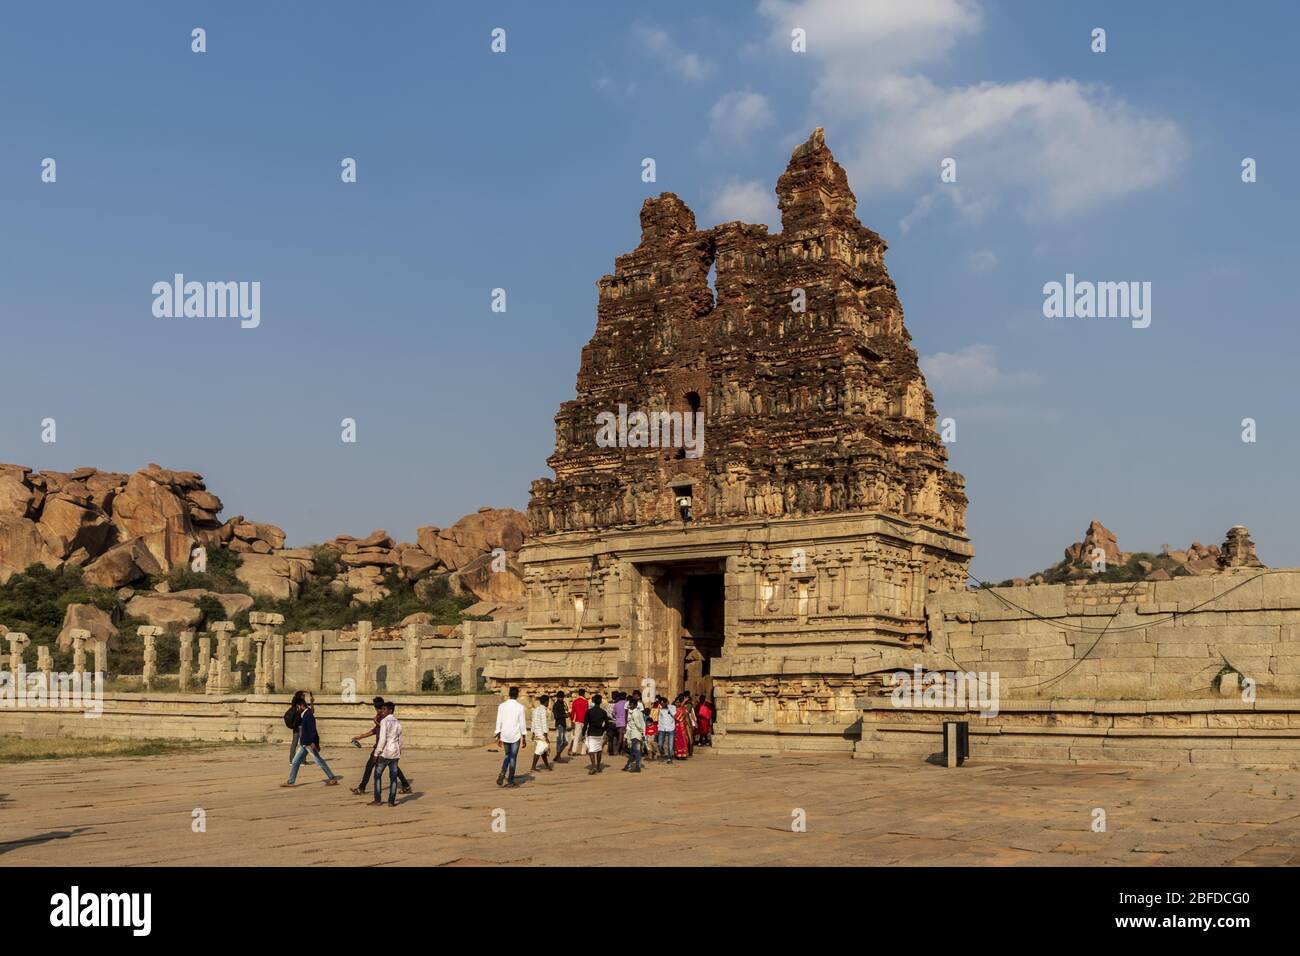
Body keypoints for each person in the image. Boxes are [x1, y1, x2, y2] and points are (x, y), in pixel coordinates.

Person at [351, 697, 412, 795]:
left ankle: (363, 789)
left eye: (382, 709)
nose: (381, 711)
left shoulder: (383, 717)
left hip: (382, 746)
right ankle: (406, 786)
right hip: (387, 747)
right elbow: (376, 730)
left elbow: (385, 730)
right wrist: (361, 736)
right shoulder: (382, 715)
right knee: (393, 767)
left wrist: (377, 724)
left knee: (372, 767)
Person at [283, 697, 340, 787]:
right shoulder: (305, 715)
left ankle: (332, 778)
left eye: (298, 707)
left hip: (309, 744)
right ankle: (291, 782)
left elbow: (312, 730)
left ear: (301, 706)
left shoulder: (308, 715)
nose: (297, 710)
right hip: (304, 744)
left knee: (319, 762)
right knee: (295, 762)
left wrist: (313, 742)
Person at [371, 701, 404, 807]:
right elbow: (400, 739)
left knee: (377, 775)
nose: (382, 711)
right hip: (395, 753)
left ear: (390, 710)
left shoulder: (385, 721)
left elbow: (383, 739)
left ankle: (377, 799)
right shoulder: (398, 722)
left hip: (385, 753)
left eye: (384, 709)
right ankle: (391, 801)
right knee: (393, 777)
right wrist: (399, 750)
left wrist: (376, 753)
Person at [495, 686, 528, 787]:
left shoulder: (502, 706)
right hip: (515, 735)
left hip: (505, 734)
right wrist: (524, 737)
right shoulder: (520, 707)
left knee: (507, 755)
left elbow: (499, 720)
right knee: (513, 757)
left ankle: (502, 773)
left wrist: (498, 734)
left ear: (509, 694)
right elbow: (522, 723)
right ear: (517, 695)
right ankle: (510, 779)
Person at [582, 693, 610, 775]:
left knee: (591, 751)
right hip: (599, 733)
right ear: (600, 701)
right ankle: (598, 767)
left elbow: (585, 724)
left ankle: (593, 766)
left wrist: (583, 734)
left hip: (591, 732)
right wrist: (603, 730)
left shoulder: (589, 712)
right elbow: (607, 724)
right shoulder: (603, 712)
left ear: (593, 701)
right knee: (599, 750)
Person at [530, 693, 553, 773]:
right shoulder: (543, 710)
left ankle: (547, 766)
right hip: (541, 733)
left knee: (543, 750)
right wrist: (546, 735)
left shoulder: (535, 710)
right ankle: (533, 767)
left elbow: (532, 722)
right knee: (540, 750)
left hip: (536, 732)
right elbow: (544, 723)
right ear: (546, 702)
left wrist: (532, 732)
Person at [623, 694, 646, 772]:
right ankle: (627, 766)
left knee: (636, 751)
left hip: (635, 734)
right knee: (633, 751)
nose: (629, 706)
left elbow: (638, 725)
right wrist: (643, 733)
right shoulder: (639, 712)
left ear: (635, 705)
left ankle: (637, 767)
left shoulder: (635, 713)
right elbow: (642, 723)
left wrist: (642, 732)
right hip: (636, 733)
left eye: (631, 704)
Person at [284, 690, 307, 763]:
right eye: (303, 695)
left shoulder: (297, 703)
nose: (304, 696)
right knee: (302, 743)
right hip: (300, 725)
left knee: (295, 742)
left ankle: (292, 760)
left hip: (296, 725)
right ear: (300, 696)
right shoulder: (298, 702)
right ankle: (302, 760)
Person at [568, 688, 589, 757]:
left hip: (577, 721)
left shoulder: (575, 701)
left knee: (576, 736)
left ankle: (574, 750)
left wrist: (572, 720)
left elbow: (573, 713)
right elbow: (587, 712)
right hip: (585, 721)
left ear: (578, 693)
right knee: (585, 736)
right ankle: (583, 751)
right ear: (584, 693)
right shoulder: (586, 701)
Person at [657, 695, 676, 765]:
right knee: (659, 744)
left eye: (663, 703)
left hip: (671, 728)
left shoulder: (672, 707)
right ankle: (663, 753)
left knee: (670, 744)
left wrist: (668, 708)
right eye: (660, 704)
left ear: (666, 703)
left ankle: (669, 758)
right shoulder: (660, 709)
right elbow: (659, 719)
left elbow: (674, 714)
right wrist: (658, 728)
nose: (662, 705)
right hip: (662, 728)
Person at [551, 691, 568, 761]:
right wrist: (564, 715)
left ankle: (557, 755)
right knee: (560, 741)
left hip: (563, 724)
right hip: (559, 725)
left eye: (562, 697)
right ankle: (558, 756)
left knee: (565, 742)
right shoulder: (556, 705)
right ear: (557, 697)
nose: (562, 698)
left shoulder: (562, 704)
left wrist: (566, 714)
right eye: (560, 697)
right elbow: (556, 716)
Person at [674, 693, 692, 759]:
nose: (677, 704)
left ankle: (683, 754)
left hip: (682, 726)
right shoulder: (673, 709)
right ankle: (678, 754)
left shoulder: (683, 709)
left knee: (683, 740)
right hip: (676, 726)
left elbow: (686, 717)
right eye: (676, 702)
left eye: (678, 702)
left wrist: (689, 725)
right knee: (677, 740)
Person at [612, 691, 628, 756]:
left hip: (618, 722)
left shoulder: (616, 704)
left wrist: (617, 717)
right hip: (624, 722)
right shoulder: (627, 703)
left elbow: (613, 714)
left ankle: (618, 750)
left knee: (619, 736)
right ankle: (619, 751)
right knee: (623, 737)